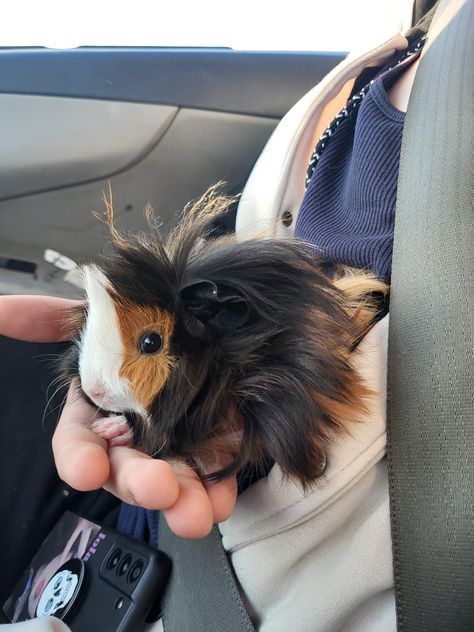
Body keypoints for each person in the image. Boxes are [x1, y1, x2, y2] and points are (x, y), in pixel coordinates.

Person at [0, 0, 457, 629]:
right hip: (132, 530)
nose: (96, 384)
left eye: (156, 342)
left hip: (240, 573)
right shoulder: (390, 59)